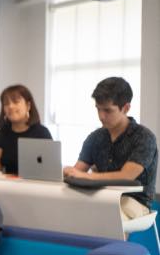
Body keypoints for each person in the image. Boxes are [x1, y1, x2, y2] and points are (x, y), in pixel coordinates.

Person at [63, 77, 157, 220]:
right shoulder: (94, 138)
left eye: (107, 110)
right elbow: (78, 171)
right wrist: (69, 173)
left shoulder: (145, 137)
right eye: (98, 109)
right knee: (72, 214)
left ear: (126, 108)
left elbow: (126, 176)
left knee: (111, 218)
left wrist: (88, 176)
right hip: (101, 197)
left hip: (134, 201)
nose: (101, 116)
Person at [0, 84, 52, 175]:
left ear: (28, 105)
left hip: (37, 186)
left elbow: (50, 169)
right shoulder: (1, 134)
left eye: (15, 102)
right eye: (6, 104)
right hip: (8, 186)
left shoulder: (42, 133)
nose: (10, 106)